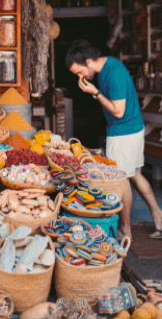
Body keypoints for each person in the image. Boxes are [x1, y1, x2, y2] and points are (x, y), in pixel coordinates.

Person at [65, 39, 162, 240]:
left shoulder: (113, 73)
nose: (80, 77)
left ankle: (125, 229)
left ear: (88, 62)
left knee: (120, 178)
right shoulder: (108, 66)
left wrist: (95, 93)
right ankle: (158, 216)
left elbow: (118, 111)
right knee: (132, 173)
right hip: (131, 128)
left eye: (79, 72)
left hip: (123, 130)